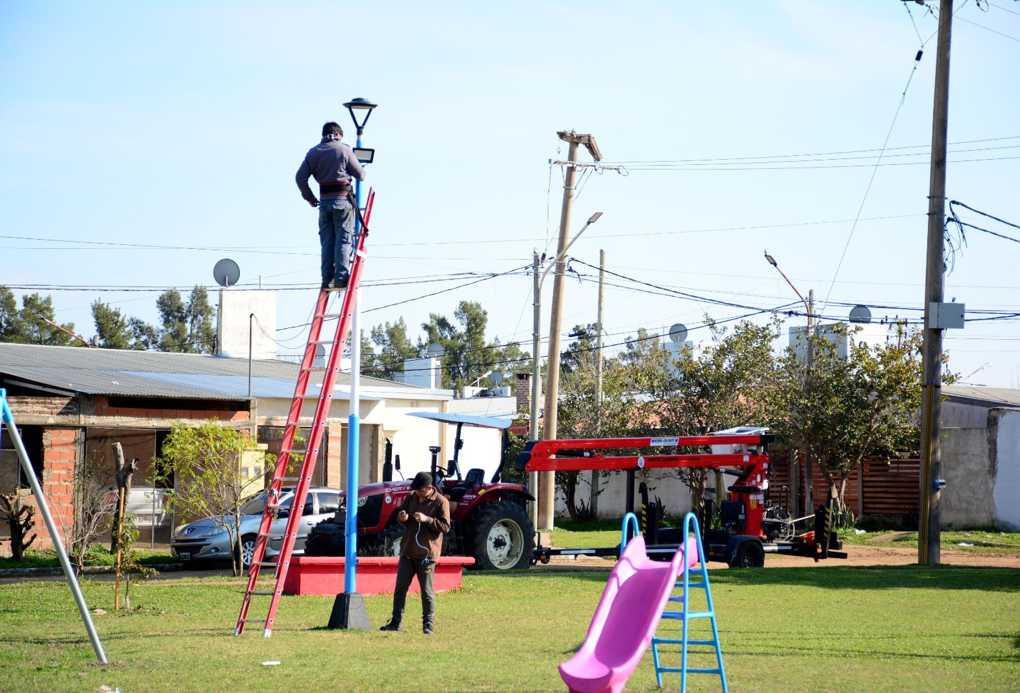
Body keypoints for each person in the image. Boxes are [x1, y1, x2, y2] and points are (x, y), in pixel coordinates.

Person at [295, 122, 366, 290]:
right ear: (338, 134)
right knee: (343, 239)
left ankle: (327, 278)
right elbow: (361, 176)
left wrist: (309, 197)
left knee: (327, 242)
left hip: (324, 203)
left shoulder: (313, 153)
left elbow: (300, 178)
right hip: (343, 201)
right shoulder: (344, 150)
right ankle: (341, 278)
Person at [379, 471, 451, 635]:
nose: (417, 493)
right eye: (416, 490)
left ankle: (428, 626)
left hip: (427, 555)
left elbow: (446, 527)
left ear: (429, 488)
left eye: (420, 491)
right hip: (408, 551)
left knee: (426, 592)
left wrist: (428, 520)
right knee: (400, 589)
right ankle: (395, 623)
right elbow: (402, 514)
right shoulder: (411, 497)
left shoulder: (441, 502)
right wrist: (402, 517)